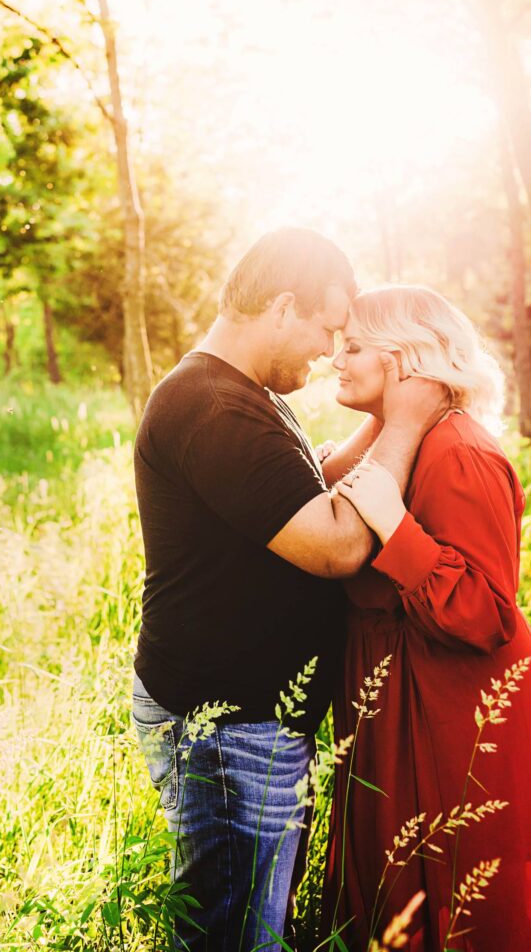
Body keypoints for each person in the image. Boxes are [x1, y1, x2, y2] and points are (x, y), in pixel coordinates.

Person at [132, 229, 446, 952]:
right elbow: (336, 545)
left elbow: (313, 484)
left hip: (248, 720)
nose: (332, 349)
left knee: (247, 917)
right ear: (281, 307)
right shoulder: (211, 405)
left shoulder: (243, 395)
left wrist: (382, 415)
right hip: (224, 723)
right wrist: (401, 424)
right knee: (235, 934)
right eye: (327, 327)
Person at [321, 285, 531, 951]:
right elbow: (328, 484)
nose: (335, 358)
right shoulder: (402, 438)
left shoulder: (458, 451)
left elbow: (485, 611)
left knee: (443, 895)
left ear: (404, 361)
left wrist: (394, 526)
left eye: (353, 347)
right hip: (396, 689)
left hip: (444, 707)